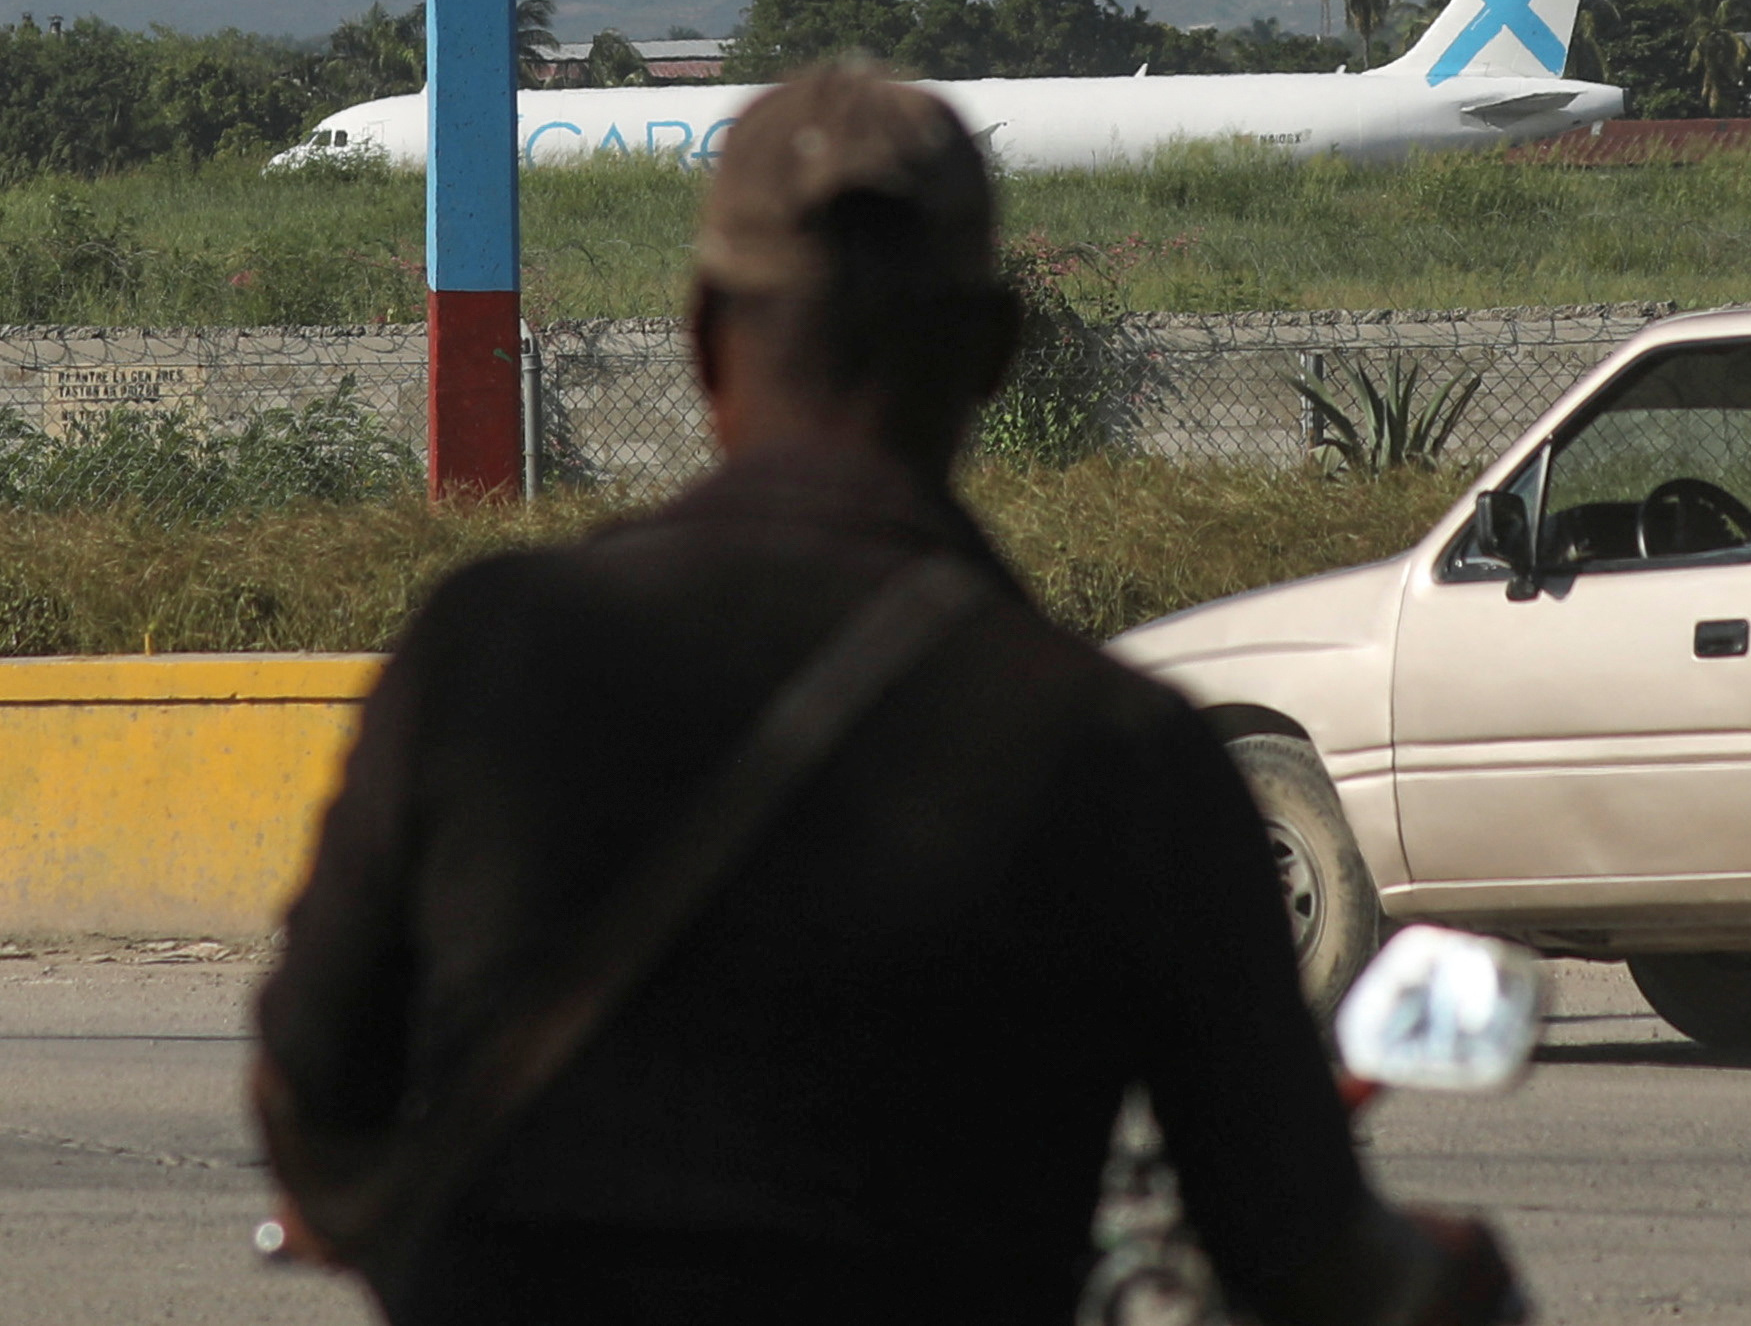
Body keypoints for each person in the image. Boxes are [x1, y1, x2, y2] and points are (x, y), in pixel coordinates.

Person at [252, 65, 1479, 1326]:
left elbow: (307, 1086)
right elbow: (1290, 1238)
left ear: (699, 334)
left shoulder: (490, 653)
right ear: (999, 349)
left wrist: (419, 1244)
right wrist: (1456, 1279)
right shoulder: (1119, 752)